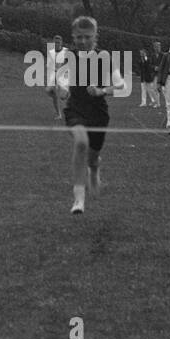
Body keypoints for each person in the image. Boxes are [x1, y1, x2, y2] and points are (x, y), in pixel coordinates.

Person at [59, 16, 126, 215]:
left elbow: (121, 85)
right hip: (75, 110)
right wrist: (62, 88)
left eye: (87, 37)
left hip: (98, 113)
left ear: (95, 36)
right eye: (78, 37)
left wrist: (101, 91)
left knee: (93, 157)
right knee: (80, 143)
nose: (82, 41)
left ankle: (95, 169)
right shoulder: (69, 56)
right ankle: (79, 198)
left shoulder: (104, 57)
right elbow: (61, 77)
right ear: (73, 36)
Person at [46, 35, 67, 120]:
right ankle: (59, 114)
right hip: (54, 75)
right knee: (52, 93)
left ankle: (68, 97)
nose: (57, 44)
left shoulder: (66, 51)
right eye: (55, 42)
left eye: (58, 42)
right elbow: (49, 65)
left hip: (64, 75)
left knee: (63, 96)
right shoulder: (51, 52)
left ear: (61, 43)